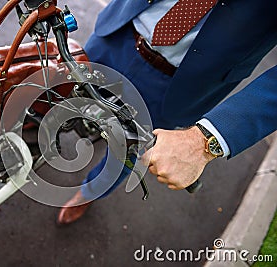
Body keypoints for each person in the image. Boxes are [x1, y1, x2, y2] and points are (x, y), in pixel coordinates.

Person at [57, 0, 277, 224]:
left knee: (126, 153)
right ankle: (36, 124)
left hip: (178, 82)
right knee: (63, 88)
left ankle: (88, 193)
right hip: (121, 31)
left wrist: (204, 140)